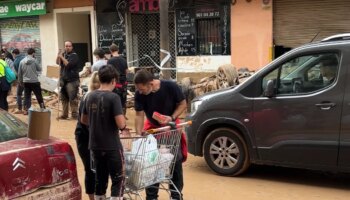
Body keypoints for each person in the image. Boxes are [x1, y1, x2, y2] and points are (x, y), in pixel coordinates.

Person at [133, 69, 187, 200]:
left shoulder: (170, 86)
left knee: (175, 162)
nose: (140, 92)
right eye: (138, 89)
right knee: (151, 164)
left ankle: (176, 195)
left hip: (171, 127)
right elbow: (139, 115)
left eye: (142, 89)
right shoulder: (139, 94)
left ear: (151, 84)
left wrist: (172, 117)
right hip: (152, 129)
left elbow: (183, 104)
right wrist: (140, 134)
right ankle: (151, 197)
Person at [81, 64, 129, 200]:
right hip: (112, 146)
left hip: (95, 146)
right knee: (118, 178)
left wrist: (98, 122)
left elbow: (83, 120)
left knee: (100, 179)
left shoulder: (89, 96)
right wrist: (124, 127)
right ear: (114, 80)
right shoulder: (114, 98)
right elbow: (121, 124)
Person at [74, 71, 100, 200]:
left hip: (92, 137)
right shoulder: (89, 97)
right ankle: (92, 197)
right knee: (91, 169)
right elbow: (85, 121)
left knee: (96, 169)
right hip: (86, 138)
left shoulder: (97, 97)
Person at [56, 41, 80, 119]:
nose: (67, 47)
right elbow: (57, 62)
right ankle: (64, 114)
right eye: (66, 46)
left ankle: (74, 115)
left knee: (72, 98)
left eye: (69, 46)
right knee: (64, 98)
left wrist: (61, 57)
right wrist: (58, 55)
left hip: (72, 81)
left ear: (72, 47)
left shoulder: (74, 56)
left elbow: (68, 65)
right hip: (64, 80)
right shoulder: (63, 54)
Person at [18, 48, 45, 114]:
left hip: (26, 82)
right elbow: (39, 69)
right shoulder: (34, 61)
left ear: (27, 53)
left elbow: (19, 73)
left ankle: (26, 110)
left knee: (27, 97)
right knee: (39, 95)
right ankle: (42, 108)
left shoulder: (21, 62)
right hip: (35, 82)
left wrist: (20, 81)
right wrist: (36, 60)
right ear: (33, 53)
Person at [107, 44, 128, 115]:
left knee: (115, 99)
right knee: (123, 99)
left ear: (110, 51)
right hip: (123, 83)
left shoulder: (110, 61)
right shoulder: (123, 59)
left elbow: (109, 72)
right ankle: (123, 115)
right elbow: (126, 71)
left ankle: (116, 115)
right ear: (118, 50)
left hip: (115, 83)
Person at [12, 48, 25, 114]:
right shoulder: (25, 57)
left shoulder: (15, 62)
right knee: (27, 94)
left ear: (14, 54)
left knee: (19, 94)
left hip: (21, 80)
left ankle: (20, 109)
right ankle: (26, 109)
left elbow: (18, 73)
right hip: (29, 79)